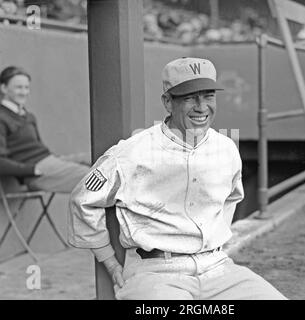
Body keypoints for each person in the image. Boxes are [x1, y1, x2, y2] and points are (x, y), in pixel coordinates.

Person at [68, 57, 287, 300]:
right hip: (156, 273)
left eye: (208, 96)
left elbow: (231, 199)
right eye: (190, 97)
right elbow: (83, 200)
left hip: (217, 268)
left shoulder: (225, 147)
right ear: (168, 102)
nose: (201, 107)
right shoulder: (132, 151)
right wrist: (109, 261)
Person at [0, 66, 90, 193]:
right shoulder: (2, 118)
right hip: (36, 171)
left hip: (50, 160)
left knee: (95, 157)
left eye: (26, 87)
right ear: (3, 88)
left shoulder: (28, 116)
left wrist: (56, 160)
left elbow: (39, 148)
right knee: (93, 176)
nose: (24, 92)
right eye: (18, 87)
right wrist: (32, 170)